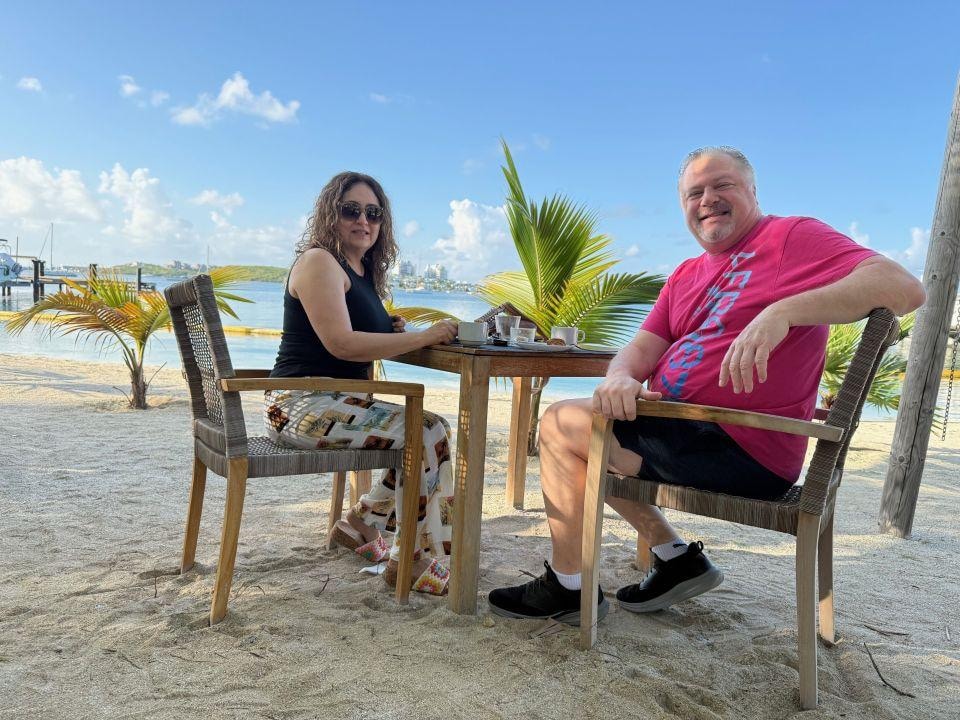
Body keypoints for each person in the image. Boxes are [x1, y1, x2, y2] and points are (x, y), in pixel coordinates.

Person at [488, 146, 925, 624]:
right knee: (592, 428)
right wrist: (619, 378)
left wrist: (784, 311)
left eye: (723, 186)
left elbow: (904, 288)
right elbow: (641, 349)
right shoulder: (686, 274)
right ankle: (677, 560)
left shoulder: (789, 237)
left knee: (559, 425)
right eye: (694, 192)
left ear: (753, 192)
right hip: (683, 430)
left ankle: (569, 587)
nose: (707, 199)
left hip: (741, 444)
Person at [263, 171, 459, 595]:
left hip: (332, 403)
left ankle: (360, 525)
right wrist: (422, 336)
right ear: (329, 214)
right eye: (350, 209)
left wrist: (389, 326)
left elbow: (350, 328)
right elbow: (340, 343)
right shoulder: (319, 261)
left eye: (373, 213)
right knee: (427, 430)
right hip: (300, 406)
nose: (363, 220)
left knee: (425, 430)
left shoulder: (360, 270)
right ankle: (411, 559)